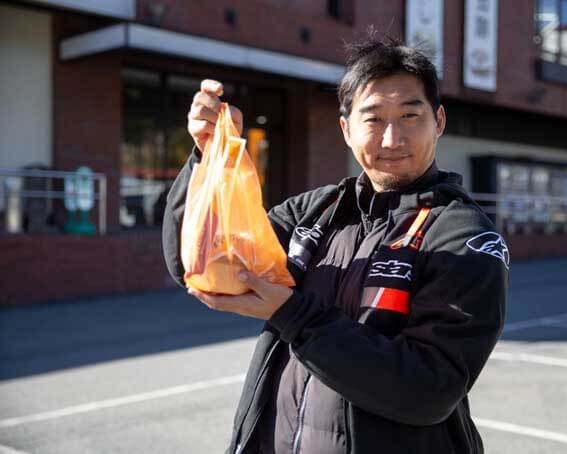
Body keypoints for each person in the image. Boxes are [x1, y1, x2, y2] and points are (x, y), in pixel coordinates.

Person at [163, 35, 508, 454]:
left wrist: (291, 314)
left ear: (438, 121)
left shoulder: (464, 236)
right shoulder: (317, 211)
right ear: (346, 129)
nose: (391, 138)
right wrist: (208, 158)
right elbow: (202, 261)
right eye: (373, 119)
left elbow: (428, 389)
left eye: (410, 116)